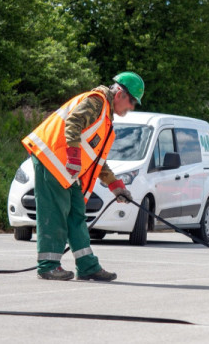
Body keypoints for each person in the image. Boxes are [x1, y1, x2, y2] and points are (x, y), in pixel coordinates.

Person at [21, 72, 145, 281]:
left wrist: (115, 185)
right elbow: (73, 122)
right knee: (55, 214)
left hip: (67, 169)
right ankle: (48, 266)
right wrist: (73, 157)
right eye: (132, 101)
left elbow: (96, 159)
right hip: (53, 160)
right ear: (120, 94)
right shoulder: (96, 102)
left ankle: (87, 266)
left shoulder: (105, 117)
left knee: (77, 215)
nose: (131, 107)